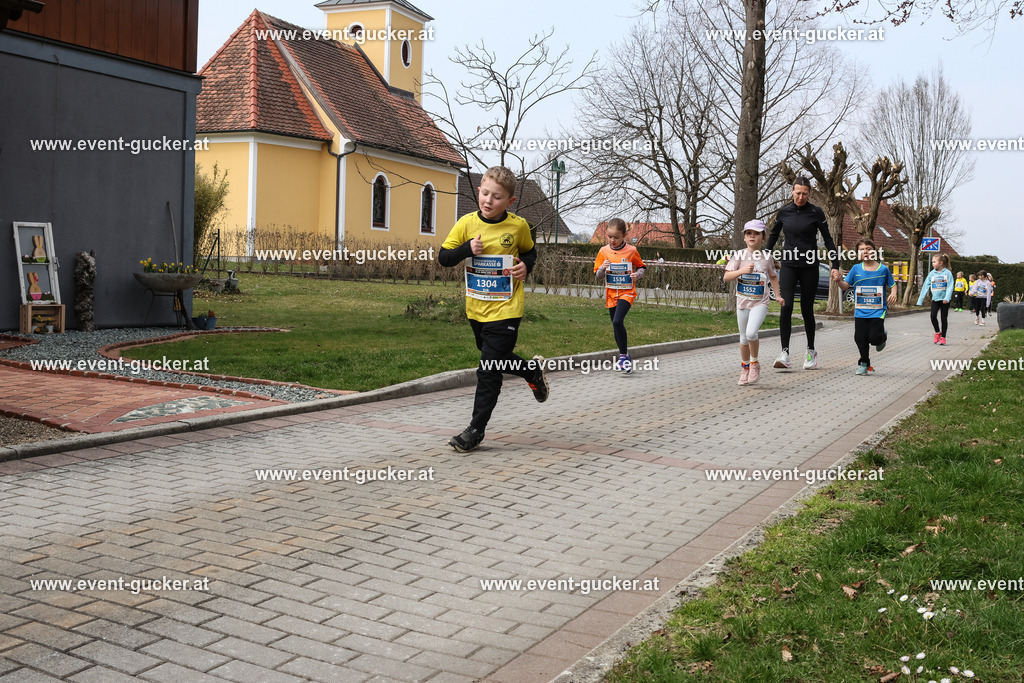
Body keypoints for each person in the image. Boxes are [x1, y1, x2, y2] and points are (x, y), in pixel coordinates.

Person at [438, 166, 548, 452]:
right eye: (485, 193)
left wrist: (526, 266)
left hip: (507, 309)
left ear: (510, 201)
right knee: (495, 359)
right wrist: (467, 249)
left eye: (497, 197)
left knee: (488, 369)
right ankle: (531, 372)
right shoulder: (466, 223)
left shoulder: (518, 226)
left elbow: (529, 252)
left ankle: (475, 431)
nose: (488, 201)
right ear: (479, 190)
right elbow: (444, 257)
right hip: (476, 309)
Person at [766, 177, 841, 370]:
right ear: (792, 191)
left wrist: (835, 264)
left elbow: (828, 239)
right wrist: (764, 255)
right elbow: (773, 235)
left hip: (809, 266)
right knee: (786, 306)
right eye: (798, 193)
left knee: (806, 309)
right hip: (789, 265)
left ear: (809, 193)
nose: (801, 197)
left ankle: (811, 351)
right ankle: (784, 353)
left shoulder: (816, 212)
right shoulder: (784, 212)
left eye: (804, 194)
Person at [723, 220, 784, 385]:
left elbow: (773, 277)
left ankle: (755, 363)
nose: (752, 236)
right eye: (749, 233)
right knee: (743, 338)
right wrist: (742, 271)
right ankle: (745, 367)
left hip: (760, 302)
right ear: (744, 237)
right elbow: (727, 276)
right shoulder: (739, 255)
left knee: (751, 333)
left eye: (756, 233)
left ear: (763, 238)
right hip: (742, 303)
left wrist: (778, 296)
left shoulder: (767, 257)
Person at [838, 239, 896, 375]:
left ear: (874, 251)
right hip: (860, 311)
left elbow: (892, 284)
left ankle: (882, 337)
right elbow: (845, 286)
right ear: (858, 254)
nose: (866, 252)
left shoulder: (883, 269)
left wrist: (893, 293)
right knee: (860, 338)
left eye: (869, 249)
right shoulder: (855, 269)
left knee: (874, 338)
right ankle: (864, 363)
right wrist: (839, 280)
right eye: (862, 249)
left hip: (878, 311)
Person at [595, 218, 646, 373]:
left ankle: (622, 357)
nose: (612, 240)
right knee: (616, 325)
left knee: (618, 321)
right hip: (611, 294)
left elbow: (642, 267)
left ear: (624, 235)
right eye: (609, 237)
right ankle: (625, 355)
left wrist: (638, 275)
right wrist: (602, 268)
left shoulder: (631, 250)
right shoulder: (603, 251)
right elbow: (598, 275)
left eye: (616, 237)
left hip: (627, 293)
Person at [917, 253, 954, 345]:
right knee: (933, 316)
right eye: (932, 262)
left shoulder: (947, 273)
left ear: (941, 263)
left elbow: (950, 286)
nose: (932, 263)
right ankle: (937, 332)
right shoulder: (932, 274)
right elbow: (925, 286)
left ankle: (943, 337)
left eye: (934, 262)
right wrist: (920, 300)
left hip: (945, 300)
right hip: (935, 299)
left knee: (943, 318)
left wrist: (947, 298)